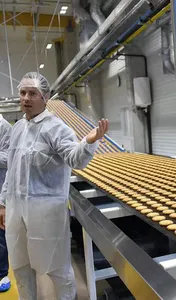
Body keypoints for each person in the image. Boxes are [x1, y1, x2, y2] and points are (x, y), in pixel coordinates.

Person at [0, 72, 108, 300]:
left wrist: (88, 142)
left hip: (46, 212)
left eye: (32, 93)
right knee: (20, 265)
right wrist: (2, 204)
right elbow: (12, 168)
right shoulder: (18, 127)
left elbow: (74, 158)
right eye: (22, 93)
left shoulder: (56, 128)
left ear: (45, 97)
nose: (26, 98)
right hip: (17, 210)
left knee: (56, 268)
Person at [0, 115, 12, 292]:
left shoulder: (4, 127)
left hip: (0, 188)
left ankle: (1, 273)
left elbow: (9, 157)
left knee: (0, 236)